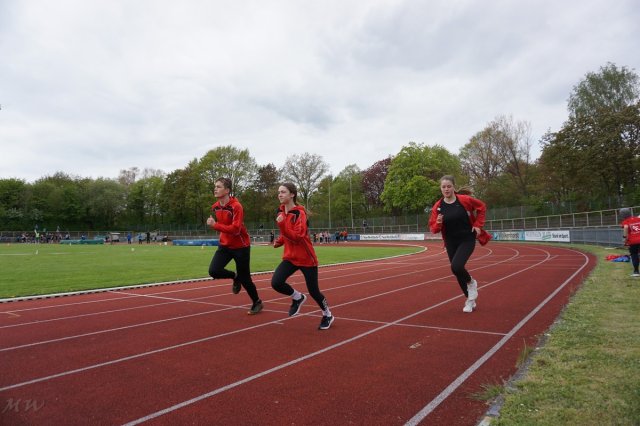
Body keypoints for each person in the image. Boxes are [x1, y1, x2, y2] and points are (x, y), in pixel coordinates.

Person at [271, 183, 335, 330]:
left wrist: (282, 226)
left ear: (292, 194)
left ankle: (327, 314)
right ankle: (297, 297)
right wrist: (279, 241)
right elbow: (287, 233)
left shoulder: (300, 213)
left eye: (283, 192)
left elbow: (298, 237)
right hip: (290, 258)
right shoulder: (281, 212)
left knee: (314, 291)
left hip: (306, 258)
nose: (279, 194)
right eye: (279, 192)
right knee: (276, 283)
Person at [429, 175, 488, 313]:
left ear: (453, 187)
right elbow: (434, 229)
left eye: (449, 186)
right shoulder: (438, 206)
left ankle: (471, 282)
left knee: (457, 266)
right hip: (450, 241)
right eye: (443, 187)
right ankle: (470, 300)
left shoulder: (464, 200)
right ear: (440, 189)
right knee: (456, 270)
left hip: (467, 238)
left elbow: (482, 207)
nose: (446, 189)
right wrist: (438, 223)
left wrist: (478, 225)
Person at [206, 177, 263, 315]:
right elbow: (225, 226)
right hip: (225, 245)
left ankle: (257, 302)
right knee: (214, 271)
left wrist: (215, 225)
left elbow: (236, 229)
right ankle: (235, 277)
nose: (215, 189)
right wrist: (217, 226)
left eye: (218, 187)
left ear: (227, 190)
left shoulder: (236, 206)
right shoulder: (215, 207)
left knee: (245, 278)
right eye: (215, 186)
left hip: (241, 247)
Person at [620, 208, 640, 277]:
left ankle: (636, 271)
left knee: (634, 255)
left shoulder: (625, 221)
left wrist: (624, 238)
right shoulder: (638, 219)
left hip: (633, 241)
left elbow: (625, 227)